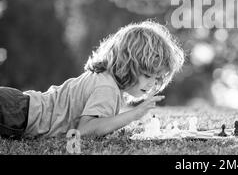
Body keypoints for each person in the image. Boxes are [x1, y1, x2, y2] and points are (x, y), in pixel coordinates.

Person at [0, 20, 184, 138]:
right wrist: (134, 115)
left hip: (18, 107)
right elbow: (85, 130)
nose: (152, 83)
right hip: (18, 115)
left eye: (157, 78)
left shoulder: (104, 80)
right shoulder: (107, 88)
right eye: (147, 75)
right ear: (128, 64)